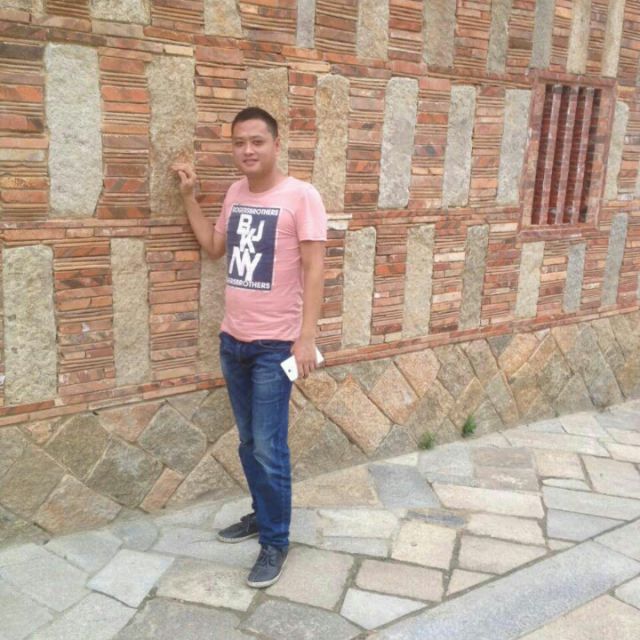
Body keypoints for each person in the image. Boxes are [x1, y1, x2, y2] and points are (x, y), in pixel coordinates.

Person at [172, 107, 327, 588]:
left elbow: (315, 269)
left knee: (269, 447)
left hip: (275, 346)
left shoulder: (301, 196)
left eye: (257, 141)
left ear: (277, 144)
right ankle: (263, 514)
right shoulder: (236, 193)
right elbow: (214, 247)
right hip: (233, 340)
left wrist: (306, 337)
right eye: (239, 142)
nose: (247, 150)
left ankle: (276, 542)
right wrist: (189, 198)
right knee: (248, 442)